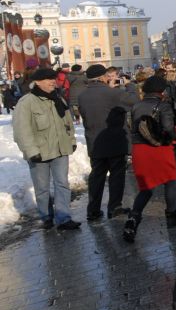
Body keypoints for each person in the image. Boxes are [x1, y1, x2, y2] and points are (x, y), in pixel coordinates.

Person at [12, 67, 81, 230]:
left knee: (62, 183)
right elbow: (21, 130)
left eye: (53, 79)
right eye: (48, 79)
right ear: (37, 82)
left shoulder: (58, 98)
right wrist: (31, 151)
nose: (53, 82)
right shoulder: (26, 102)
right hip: (39, 152)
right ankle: (46, 216)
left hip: (60, 150)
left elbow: (68, 123)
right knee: (42, 188)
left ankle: (63, 217)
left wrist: (71, 140)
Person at [123, 76, 176, 242]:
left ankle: (133, 219)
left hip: (140, 150)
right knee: (170, 181)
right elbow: (168, 128)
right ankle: (172, 215)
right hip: (160, 149)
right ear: (161, 91)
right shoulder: (163, 105)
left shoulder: (135, 106)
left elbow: (131, 128)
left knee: (146, 188)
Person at [78, 63, 140, 221]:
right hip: (114, 141)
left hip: (94, 142)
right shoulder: (111, 93)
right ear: (102, 77)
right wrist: (130, 85)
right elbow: (134, 101)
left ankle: (93, 210)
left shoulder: (82, 95)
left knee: (96, 176)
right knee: (116, 175)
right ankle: (114, 207)